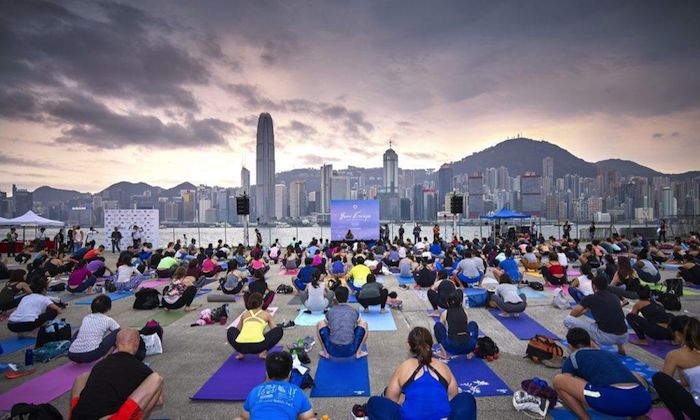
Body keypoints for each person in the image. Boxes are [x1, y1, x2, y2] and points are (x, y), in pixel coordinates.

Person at [365, 326, 476, 420]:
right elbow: (453, 398)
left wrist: (404, 398)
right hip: (442, 416)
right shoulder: (444, 367)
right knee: (466, 398)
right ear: (431, 345)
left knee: (374, 402)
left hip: (409, 417)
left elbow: (391, 401)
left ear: (408, 345)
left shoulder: (404, 367)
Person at [553, 328, 651, 419]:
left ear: (570, 346)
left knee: (559, 380)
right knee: (632, 373)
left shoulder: (573, 357)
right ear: (590, 343)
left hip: (611, 400)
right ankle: (639, 416)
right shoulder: (607, 354)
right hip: (643, 401)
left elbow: (567, 381)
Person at [69, 329, 164, 420]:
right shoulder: (140, 368)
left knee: (83, 377)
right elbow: (159, 400)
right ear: (137, 343)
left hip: (76, 416)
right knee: (156, 379)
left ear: (116, 344)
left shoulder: (101, 364)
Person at [564, 275, 628, 355]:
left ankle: (595, 348)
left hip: (606, 337)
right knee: (611, 321)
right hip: (624, 335)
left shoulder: (591, 298)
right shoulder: (614, 297)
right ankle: (620, 347)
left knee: (567, 320)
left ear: (594, 286)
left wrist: (586, 310)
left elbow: (572, 315)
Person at [242, 351, 314, 419]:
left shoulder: (255, 391)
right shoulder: (296, 392)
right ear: (289, 373)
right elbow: (308, 416)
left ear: (266, 373)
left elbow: (245, 416)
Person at [652, 317, 700, 420]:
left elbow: (665, 381)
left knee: (658, 378)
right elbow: (686, 383)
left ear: (677, 333)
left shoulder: (675, 355)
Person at [316, 286, 368, 359]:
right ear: (348, 298)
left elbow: (326, 323)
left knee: (320, 323)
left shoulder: (330, 311)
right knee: (364, 323)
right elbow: (359, 322)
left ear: (335, 298)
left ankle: (325, 352)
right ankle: (358, 352)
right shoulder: (354, 311)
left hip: (332, 350)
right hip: (351, 350)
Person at [228, 292, 283, 359]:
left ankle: (240, 353)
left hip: (240, 346)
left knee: (231, 330)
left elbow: (237, 329)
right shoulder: (266, 314)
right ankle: (263, 353)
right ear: (262, 303)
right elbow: (275, 329)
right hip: (258, 347)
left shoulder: (245, 314)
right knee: (279, 330)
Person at [68, 295, 122, 363]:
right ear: (108, 308)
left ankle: (77, 349)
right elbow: (120, 332)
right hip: (90, 355)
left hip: (72, 354)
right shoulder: (108, 320)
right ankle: (107, 357)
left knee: (79, 332)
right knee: (118, 332)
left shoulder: (86, 317)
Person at [434, 292, 478, 358]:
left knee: (437, 325)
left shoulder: (445, 313)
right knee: (473, 324)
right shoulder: (464, 312)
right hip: (468, 347)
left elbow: (441, 329)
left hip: (452, 347)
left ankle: (444, 353)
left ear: (447, 303)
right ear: (460, 303)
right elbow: (466, 327)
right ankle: (471, 352)